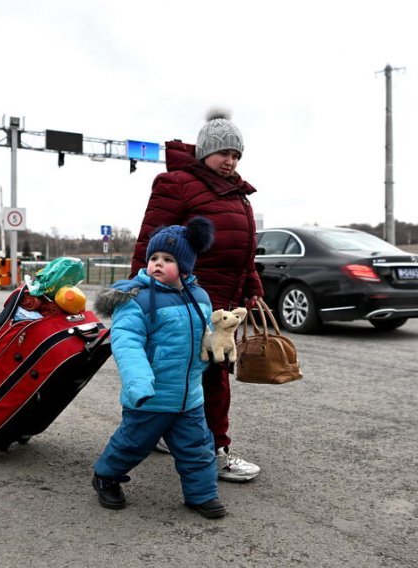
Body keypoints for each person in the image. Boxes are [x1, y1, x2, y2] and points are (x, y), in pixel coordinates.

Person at [130, 109, 263, 483]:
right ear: (204, 151)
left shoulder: (237, 192)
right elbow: (150, 242)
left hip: (223, 300)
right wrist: (135, 293)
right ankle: (214, 451)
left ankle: (165, 432)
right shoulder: (178, 184)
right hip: (188, 298)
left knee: (193, 372)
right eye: (223, 152)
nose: (231, 160)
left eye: (236, 154)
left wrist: (252, 284)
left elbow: (242, 250)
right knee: (210, 376)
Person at [92, 217, 226, 519]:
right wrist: (138, 381)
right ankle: (106, 476)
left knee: (198, 448)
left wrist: (216, 347)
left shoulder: (200, 297)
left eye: (167, 259)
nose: (157, 264)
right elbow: (126, 343)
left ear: (186, 265)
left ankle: (201, 494)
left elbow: (203, 336)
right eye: (153, 258)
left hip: (189, 396)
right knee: (132, 443)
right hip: (150, 395)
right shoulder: (137, 300)